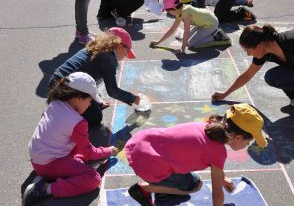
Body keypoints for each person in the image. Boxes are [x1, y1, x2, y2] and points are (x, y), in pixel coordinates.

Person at [126, 103, 267, 206]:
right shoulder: (218, 153)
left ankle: (163, 188)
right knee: (195, 185)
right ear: (238, 138)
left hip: (141, 145)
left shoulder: (209, 126)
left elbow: (207, 157)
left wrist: (223, 178)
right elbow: (217, 193)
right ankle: (144, 189)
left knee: (186, 172)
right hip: (148, 164)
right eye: (248, 142)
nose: (247, 145)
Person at [22, 72, 120, 206]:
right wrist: (107, 151)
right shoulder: (77, 122)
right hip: (48, 165)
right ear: (78, 98)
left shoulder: (54, 104)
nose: (90, 104)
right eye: (90, 100)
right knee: (93, 178)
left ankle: (48, 176)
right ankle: (44, 189)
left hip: (37, 158)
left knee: (80, 154)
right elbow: (89, 153)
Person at [211, 24, 294, 137]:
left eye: (248, 50)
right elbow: (247, 75)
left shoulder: (293, 40)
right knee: (272, 77)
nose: (248, 54)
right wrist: (225, 93)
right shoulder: (264, 53)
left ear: (259, 46)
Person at [49, 27, 140, 126]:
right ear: (118, 46)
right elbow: (113, 91)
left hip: (57, 80)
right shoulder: (109, 59)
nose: (124, 58)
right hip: (64, 87)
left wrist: (98, 102)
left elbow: (89, 79)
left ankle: (63, 104)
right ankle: (61, 111)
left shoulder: (98, 46)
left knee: (95, 106)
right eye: (126, 53)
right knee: (96, 117)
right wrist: (134, 99)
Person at [150, 0, 230, 54]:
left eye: (167, 10)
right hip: (202, 23)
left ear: (174, 8)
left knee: (192, 44)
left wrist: (182, 49)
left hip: (211, 23)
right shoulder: (179, 11)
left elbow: (187, 31)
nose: (168, 12)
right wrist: (158, 42)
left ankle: (217, 36)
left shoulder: (185, 12)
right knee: (185, 39)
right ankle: (208, 33)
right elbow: (172, 29)